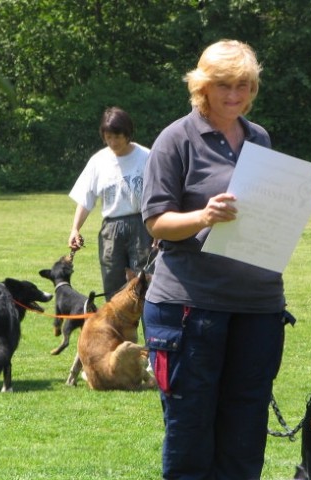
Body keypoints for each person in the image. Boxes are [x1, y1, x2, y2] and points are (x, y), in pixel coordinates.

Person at [140, 40, 287, 480]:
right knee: (191, 435)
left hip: (258, 306)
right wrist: (204, 216)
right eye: (224, 85)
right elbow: (156, 223)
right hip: (190, 306)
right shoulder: (174, 139)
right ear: (202, 86)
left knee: (245, 434)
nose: (235, 95)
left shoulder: (258, 136)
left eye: (244, 85)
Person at [68, 106, 152, 301]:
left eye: (117, 136)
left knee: (145, 284)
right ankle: (114, 332)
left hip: (142, 226)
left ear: (127, 134)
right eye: (108, 137)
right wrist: (75, 229)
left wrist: (157, 231)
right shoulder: (98, 161)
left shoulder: (146, 157)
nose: (112, 142)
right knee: (112, 286)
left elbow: (158, 195)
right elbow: (86, 198)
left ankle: (151, 332)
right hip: (111, 230)